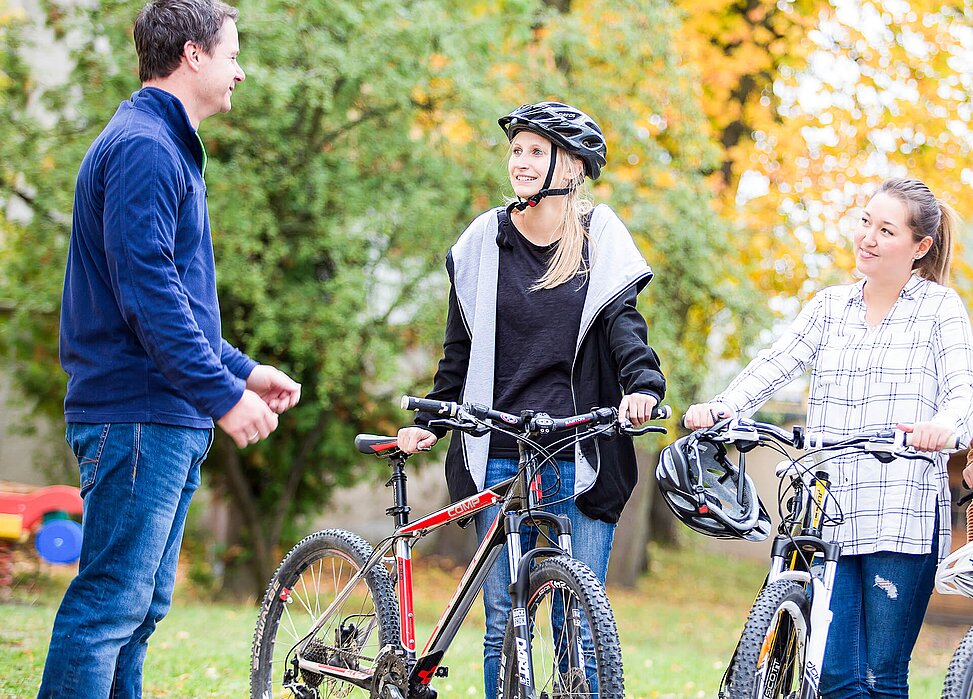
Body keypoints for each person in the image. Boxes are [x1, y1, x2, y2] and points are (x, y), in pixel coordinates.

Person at [38, 1, 301, 696]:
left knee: (137, 612)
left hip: (162, 415)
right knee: (108, 609)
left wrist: (242, 370)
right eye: (232, 55)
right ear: (193, 54)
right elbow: (146, 294)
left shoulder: (162, 144)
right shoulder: (145, 148)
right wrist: (222, 396)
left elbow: (176, 298)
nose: (240, 71)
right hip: (138, 413)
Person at [397, 101, 666, 699]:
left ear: (571, 166)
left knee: (581, 625)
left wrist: (644, 387)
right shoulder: (484, 241)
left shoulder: (600, 239)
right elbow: (460, 347)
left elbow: (625, 330)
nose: (520, 161)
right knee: (503, 621)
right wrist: (435, 417)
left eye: (535, 151)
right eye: (515, 150)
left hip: (580, 449)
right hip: (498, 448)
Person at [684, 177, 973, 698]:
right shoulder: (829, 306)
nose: (868, 238)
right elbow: (776, 363)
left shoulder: (940, 309)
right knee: (836, 677)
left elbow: (962, 392)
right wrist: (725, 406)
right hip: (828, 510)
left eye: (886, 230)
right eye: (865, 222)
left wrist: (946, 428)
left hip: (901, 512)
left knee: (881, 676)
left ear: (920, 247)